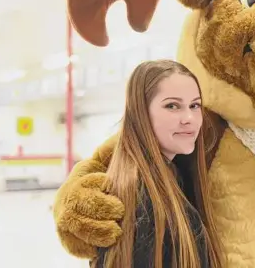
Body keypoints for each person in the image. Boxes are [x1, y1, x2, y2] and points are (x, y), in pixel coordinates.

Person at [91, 59, 224, 268]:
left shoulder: (172, 179)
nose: (189, 118)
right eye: (172, 106)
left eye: (195, 105)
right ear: (141, 112)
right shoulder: (141, 199)